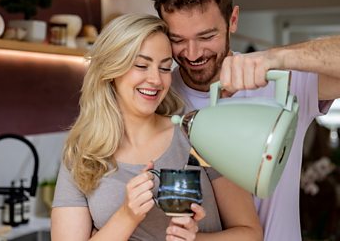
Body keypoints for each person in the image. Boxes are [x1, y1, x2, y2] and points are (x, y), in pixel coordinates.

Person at [149, 0, 340, 240]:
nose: (192, 54)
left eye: (206, 36)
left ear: (233, 20)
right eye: (177, 39)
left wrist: (278, 56)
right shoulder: (156, 96)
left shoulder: (282, 79)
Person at [51, 13, 262, 241]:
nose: (156, 80)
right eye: (142, 65)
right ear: (111, 71)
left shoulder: (198, 133)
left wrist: (196, 240)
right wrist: (127, 216)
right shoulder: (82, 153)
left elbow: (250, 233)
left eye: (164, 68)